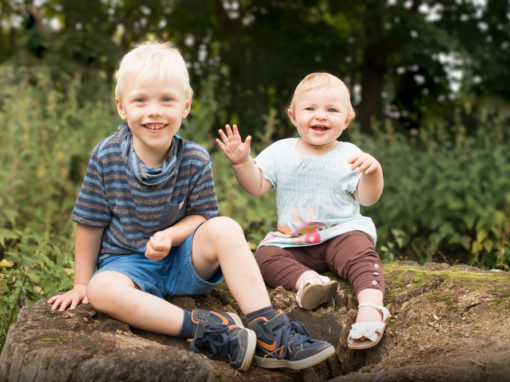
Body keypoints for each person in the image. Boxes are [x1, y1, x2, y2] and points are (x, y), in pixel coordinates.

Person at [48, 43, 336, 370]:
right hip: (127, 264)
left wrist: (170, 236)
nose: (154, 111)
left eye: (166, 100)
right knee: (101, 291)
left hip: (184, 260)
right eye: (141, 100)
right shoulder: (107, 157)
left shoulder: (194, 159)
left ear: (185, 105)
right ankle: (208, 329)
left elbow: (201, 217)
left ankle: (268, 330)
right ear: (121, 107)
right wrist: (82, 284)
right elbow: (90, 221)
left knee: (225, 228)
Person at [217, 72, 391, 350]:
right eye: (310, 108)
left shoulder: (349, 154)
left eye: (331, 110)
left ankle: (371, 310)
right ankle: (308, 282)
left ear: (346, 119)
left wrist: (374, 172)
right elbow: (257, 186)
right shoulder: (280, 152)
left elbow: (368, 198)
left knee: (361, 256)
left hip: (341, 234)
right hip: (294, 241)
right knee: (262, 257)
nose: (320, 116)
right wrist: (242, 163)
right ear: (293, 116)